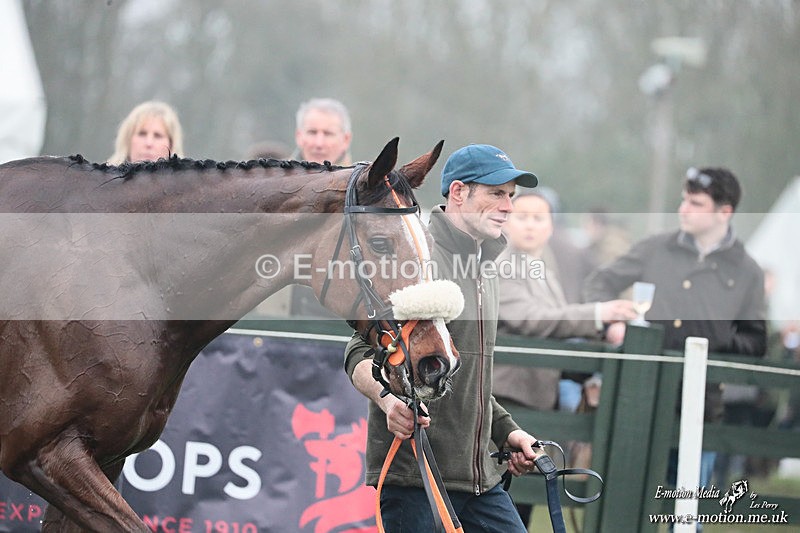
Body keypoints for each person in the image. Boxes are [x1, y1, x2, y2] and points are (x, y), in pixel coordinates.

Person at [344, 144, 543, 532]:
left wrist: (509, 431)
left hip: (480, 481)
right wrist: (387, 401)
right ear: (457, 193)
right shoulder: (420, 257)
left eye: (511, 196)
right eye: (496, 193)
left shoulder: (487, 268)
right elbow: (356, 350)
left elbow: (466, 378)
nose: (508, 206)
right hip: (416, 479)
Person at [584, 166, 767, 518]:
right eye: (684, 199)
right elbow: (600, 283)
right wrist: (611, 321)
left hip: (701, 411)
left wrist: (715, 336)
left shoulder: (747, 270)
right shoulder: (656, 248)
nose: (683, 208)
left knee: (684, 518)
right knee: (621, 511)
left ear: (724, 212)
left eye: (695, 203)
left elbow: (756, 341)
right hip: (637, 403)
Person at [492, 191, 636, 526]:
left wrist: (604, 330)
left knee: (518, 506)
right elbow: (532, 318)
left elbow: (554, 319)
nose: (529, 225)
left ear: (550, 227)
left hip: (537, 399)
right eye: (521, 216)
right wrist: (599, 314)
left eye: (538, 218)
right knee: (500, 502)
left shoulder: (540, 268)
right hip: (509, 401)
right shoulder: (502, 264)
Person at [108, 100, 184, 165]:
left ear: (172, 143)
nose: (149, 143)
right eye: (142, 134)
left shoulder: (189, 182)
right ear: (127, 139)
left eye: (157, 136)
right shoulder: (101, 180)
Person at [292, 97, 352, 165]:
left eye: (328, 134)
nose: (319, 143)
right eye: (312, 132)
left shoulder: (362, 175)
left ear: (346, 140)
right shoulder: (278, 174)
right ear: (298, 136)